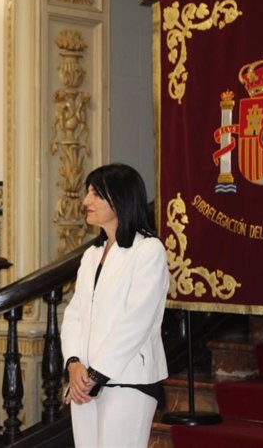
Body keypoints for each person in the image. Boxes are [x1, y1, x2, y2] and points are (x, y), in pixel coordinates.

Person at [60, 163, 169, 448]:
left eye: (96, 193)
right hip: (84, 381)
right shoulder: (92, 255)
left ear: (120, 198)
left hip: (127, 380)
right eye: (88, 193)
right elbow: (75, 315)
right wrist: (73, 363)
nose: (86, 201)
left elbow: (136, 321)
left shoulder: (148, 250)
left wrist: (95, 376)